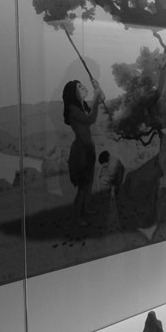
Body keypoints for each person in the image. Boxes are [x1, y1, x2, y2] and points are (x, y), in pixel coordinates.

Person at [63, 78, 104, 226]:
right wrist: (96, 96)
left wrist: (97, 88)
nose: (83, 87)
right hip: (81, 150)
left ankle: (85, 209)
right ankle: (77, 216)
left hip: (88, 148)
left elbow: (102, 98)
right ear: (73, 93)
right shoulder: (73, 109)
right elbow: (90, 119)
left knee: (89, 182)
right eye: (80, 87)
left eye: (83, 85)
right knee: (83, 185)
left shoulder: (83, 106)